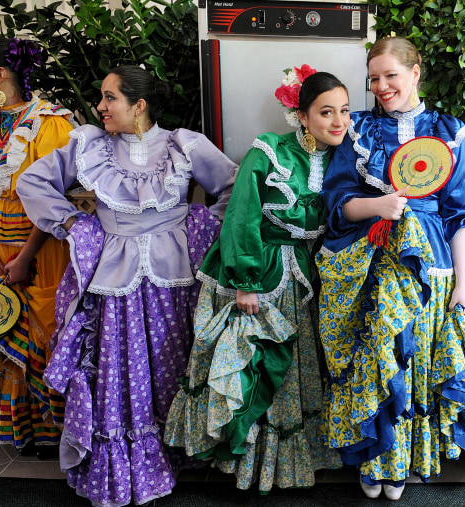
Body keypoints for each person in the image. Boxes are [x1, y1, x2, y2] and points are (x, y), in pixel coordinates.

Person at [15, 65, 237, 507]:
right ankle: (130, 468)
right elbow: (33, 181)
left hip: (175, 281)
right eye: (102, 97)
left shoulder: (183, 144)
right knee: (120, 370)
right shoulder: (89, 144)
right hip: (114, 281)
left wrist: (201, 227)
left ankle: (175, 457)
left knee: (171, 364)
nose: (100, 107)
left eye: (109, 97)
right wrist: (76, 224)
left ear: (139, 106)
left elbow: (234, 188)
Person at [163, 69, 349, 492]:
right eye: (325, 112)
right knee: (254, 365)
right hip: (259, 271)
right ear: (302, 116)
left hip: (306, 276)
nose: (337, 121)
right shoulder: (269, 150)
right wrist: (245, 281)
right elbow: (241, 212)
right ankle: (244, 464)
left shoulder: (345, 156)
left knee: (294, 371)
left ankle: (284, 465)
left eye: (344, 111)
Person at [317, 37, 465, 501]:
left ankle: (403, 462)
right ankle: (375, 460)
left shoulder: (450, 130)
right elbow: (336, 205)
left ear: (415, 72)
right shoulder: (359, 129)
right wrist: (379, 204)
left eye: (391, 75)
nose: (381, 86)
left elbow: (461, 216)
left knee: (415, 365)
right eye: (373, 78)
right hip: (372, 262)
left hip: (431, 267)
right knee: (378, 360)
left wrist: (463, 287)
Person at [0, 37, 76, 455]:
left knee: (44, 338)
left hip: (40, 254)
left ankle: (54, 435)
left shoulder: (52, 124)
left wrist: (25, 258)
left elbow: (54, 201)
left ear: (0, 75)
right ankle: (16, 433)